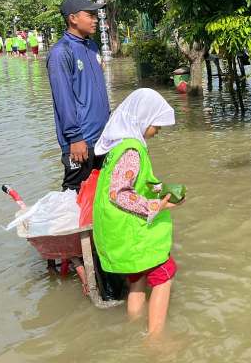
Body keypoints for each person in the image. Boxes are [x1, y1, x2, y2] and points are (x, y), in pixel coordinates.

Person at [92, 88, 181, 336]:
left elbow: (130, 182)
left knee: (137, 278)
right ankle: (155, 339)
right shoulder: (132, 150)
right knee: (164, 274)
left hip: (116, 230)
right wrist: (157, 205)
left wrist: (158, 189)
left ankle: (133, 330)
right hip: (130, 229)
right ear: (142, 118)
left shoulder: (119, 144)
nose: (158, 130)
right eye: (156, 125)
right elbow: (119, 193)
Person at [47, 0, 110, 191]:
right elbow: (63, 100)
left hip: (102, 137)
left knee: (101, 194)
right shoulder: (61, 52)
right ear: (73, 18)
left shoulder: (91, 46)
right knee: (74, 198)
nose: (95, 19)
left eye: (95, 15)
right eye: (90, 15)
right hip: (80, 142)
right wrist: (75, 138)